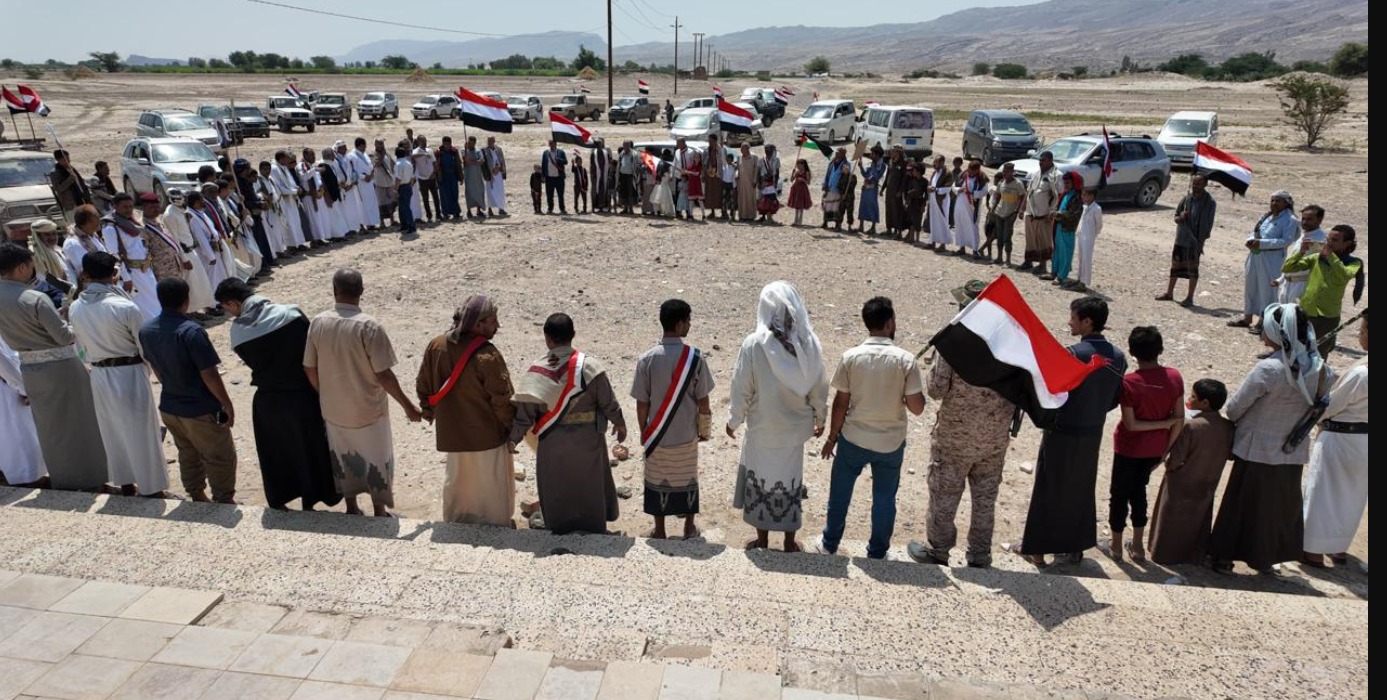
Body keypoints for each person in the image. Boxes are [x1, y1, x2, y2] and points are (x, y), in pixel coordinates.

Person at [1212, 302, 1331, 575]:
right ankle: (1265, 558)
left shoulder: (1269, 369)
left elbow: (1234, 409)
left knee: (1241, 507)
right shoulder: (1321, 369)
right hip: (1292, 451)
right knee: (1277, 509)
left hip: (1256, 451)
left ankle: (1224, 556)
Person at [1010, 297, 1127, 567]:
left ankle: (1036, 551)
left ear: (1087, 321)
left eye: (1073, 317)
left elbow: (1051, 391)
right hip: (1092, 433)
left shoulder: (1073, 353)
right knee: (1080, 489)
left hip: (1062, 431)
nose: (1069, 322)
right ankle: (1073, 549)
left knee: (1048, 488)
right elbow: (1114, 398)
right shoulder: (1119, 357)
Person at [908, 282, 1017, 568]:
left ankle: (939, 551)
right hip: (993, 440)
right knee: (984, 500)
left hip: (955, 438)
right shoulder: (1011, 345)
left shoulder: (954, 345)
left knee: (944, 496)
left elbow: (936, 389)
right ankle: (980, 554)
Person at [216, 278, 342, 512]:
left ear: (233, 303)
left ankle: (281, 500)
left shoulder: (238, 332)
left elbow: (252, 362)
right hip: (303, 394)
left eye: (225, 308)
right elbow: (313, 354)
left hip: (269, 400)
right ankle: (312, 499)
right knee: (312, 446)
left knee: (276, 452)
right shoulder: (291, 314)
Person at [814, 297, 925, 559]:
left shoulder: (851, 357)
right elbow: (917, 407)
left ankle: (829, 544)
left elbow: (840, 403)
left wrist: (832, 438)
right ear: (889, 323)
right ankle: (877, 552)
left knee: (840, 494)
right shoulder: (906, 360)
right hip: (890, 443)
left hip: (853, 438)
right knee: (885, 500)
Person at [305, 268, 422, 517]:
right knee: (376, 458)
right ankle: (379, 510)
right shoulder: (369, 326)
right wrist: (408, 405)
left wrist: (324, 393)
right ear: (361, 292)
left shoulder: (318, 322)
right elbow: (384, 375)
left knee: (343, 457)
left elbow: (309, 367)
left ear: (334, 291)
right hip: (368, 408)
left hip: (334, 409)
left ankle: (352, 507)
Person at [728, 281, 829, 552]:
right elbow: (819, 384)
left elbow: (741, 386)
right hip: (794, 431)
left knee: (762, 478)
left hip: (763, 428)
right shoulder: (809, 344)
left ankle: (762, 540)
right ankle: (788, 541)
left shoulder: (754, 344)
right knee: (790, 482)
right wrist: (820, 417)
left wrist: (734, 419)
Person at [0, 242, 108, 491]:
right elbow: (64, 337)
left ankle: (63, 479)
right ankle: (92, 481)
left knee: (51, 430)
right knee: (82, 423)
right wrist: (70, 316)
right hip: (61, 366)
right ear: (20, 267)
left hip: (29, 370)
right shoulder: (34, 297)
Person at [510, 313, 627, 535]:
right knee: (589, 484)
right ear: (573, 335)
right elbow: (608, 401)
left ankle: (559, 526)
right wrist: (619, 423)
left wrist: (512, 439)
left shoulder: (536, 371)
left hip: (552, 441)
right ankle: (592, 527)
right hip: (588, 439)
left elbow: (524, 415)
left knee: (557, 485)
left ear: (547, 338)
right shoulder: (590, 367)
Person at [68, 252, 171, 498]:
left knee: (112, 431)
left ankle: (126, 485)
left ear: (85, 274)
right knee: (142, 432)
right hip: (129, 371)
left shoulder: (75, 306)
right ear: (114, 274)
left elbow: (79, 347)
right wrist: (147, 370)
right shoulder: (124, 306)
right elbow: (144, 346)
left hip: (99, 375)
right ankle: (152, 489)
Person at [416, 295, 517, 526]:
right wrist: (512, 428)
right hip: (487, 435)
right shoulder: (487, 354)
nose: (497, 326)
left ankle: (458, 520)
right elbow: (501, 399)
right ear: (479, 324)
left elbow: (423, 384)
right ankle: (495, 522)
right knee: (490, 484)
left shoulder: (436, 345)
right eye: (493, 321)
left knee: (459, 481)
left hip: (453, 434)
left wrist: (428, 411)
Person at [139, 278, 238, 503]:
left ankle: (196, 494)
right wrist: (227, 404)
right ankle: (223, 499)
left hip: (170, 406)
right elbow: (209, 374)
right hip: (199, 408)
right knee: (218, 455)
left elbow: (156, 367)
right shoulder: (191, 331)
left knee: (187, 452)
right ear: (186, 300)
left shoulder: (146, 330)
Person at [632, 299, 715, 540]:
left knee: (657, 479)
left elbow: (642, 402)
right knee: (688, 478)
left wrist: (644, 431)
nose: (689, 325)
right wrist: (705, 431)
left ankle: (660, 530)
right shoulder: (695, 358)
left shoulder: (646, 359)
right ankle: (689, 527)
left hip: (656, 436)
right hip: (686, 433)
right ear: (679, 325)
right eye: (688, 321)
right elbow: (703, 402)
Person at [1106, 326, 1184, 563]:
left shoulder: (1129, 382)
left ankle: (1117, 545)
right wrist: (1165, 448)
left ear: (1132, 351)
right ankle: (1138, 545)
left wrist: (1161, 424)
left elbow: (1131, 425)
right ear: (1160, 349)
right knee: (1139, 492)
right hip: (1155, 449)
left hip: (1129, 448)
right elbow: (1179, 419)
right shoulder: (1174, 377)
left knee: (1119, 495)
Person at [1301, 310, 1367, 568]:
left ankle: (1313, 550)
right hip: (1365, 442)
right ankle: (1338, 547)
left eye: (1363, 330)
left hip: (1340, 438)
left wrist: (1315, 417)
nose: (1360, 335)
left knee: (1322, 494)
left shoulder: (1362, 374)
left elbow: (1333, 405)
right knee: (1352, 497)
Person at [1147, 379, 1234, 566]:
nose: (1189, 399)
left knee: (1171, 519)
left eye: (1193, 396)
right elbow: (1230, 455)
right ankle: (1193, 556)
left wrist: (1168, 466)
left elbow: (1176, 459)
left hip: (1182, 481)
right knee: (1198, 520)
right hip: (1208, 482)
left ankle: (1163, 555)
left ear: (1205, 403)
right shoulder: (1228, 427)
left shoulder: (1191, 426)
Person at [1281, 224, 1364, 358]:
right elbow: (1287, 268)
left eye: (1335, 240)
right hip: (1306, 310)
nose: (1329, 243)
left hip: (1327, 316)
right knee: (1295, 349)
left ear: (1347, 244)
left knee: (1319, 355)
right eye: (1328, 239)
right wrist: (1300, 252)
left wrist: (1331, 256)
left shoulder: (1353, 263)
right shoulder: (1316, 258)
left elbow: (1344, 275)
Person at [1229, 190, 1298, 332]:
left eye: (1278, 201)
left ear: (1286, 203)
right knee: (1251, 286)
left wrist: (1262, 243)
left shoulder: (1290, 220)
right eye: (1272, 200)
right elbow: (1254, 231)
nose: (1274, 203)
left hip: (1272, 259)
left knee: (1267, 290)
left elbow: (1286, 241)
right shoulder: (1266, 216)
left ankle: (1263, 321)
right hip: (1255, 255)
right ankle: (1247, 317)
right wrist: (1250, 240)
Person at [1159, 175, 1217, 307]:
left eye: (1198, 184)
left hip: (1195, 242)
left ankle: (1189, 298)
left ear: (1205, 184)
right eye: (1194, 184)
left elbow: (1208, 225)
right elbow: (1176, 217)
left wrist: (1200, 241)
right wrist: (1181, 217)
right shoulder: (1187, 199)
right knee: (1175, 267)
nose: (1195, 186)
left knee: (1193, 270)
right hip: (1180, 240)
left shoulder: (1209, 203)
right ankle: (1169, 293)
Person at [100, 193, 160, 320]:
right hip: (132, 273)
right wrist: (126, 278)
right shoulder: (110, 227)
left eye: (131, 206)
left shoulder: (129, 221)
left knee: (155, 299)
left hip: (145, 269)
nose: (129, 210)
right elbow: (114, 255)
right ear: (115, 206)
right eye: (125, 207)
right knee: (144, 306)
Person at [0, 333, 47, 487]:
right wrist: (25, 389)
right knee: (18, 436)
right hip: (7, 391)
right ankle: (27, 479)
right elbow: (5, 366)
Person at [162, 190, 216, 315]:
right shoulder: (170, 215)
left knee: (199, 283)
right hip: (185, 254)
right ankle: (189, 313)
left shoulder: (182, 211)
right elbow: (175, 239)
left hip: (192, 250)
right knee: (190, 285)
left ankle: (198, 310)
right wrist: (184, 259)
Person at [1273, 204, 1328, 305]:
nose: (1305, 222)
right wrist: (1280, 280)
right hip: (1287, 284)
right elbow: (1292, 260)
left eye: (1309, 219)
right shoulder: (1303, 236)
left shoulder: (1321, 239)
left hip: (1303, 285)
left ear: (1319, 220)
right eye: (1303, 219)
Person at [1020, 151, 1059, 274]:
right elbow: (1028, 192)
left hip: (1044, 215)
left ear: (1050, 160)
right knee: (1030, 239)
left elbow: (1057, 196)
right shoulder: (1035, 174)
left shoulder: (1056, 175)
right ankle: (1029, 261)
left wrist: (1052, 211)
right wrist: (1022, 208)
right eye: (1040, 160)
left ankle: (1043, 265)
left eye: (1043, 160)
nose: (1040, 162)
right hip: (1031, 213)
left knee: (1043, 241)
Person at [1045, 171, 1084, 285]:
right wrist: (1054, 213)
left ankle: (1062, 276)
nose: (1066, 185)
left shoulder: (1077, 196)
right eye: (1065, 182)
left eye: (1068, 183)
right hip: (1059, 226)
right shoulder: (1065, 194)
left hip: (1067, 228)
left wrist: (1058, 214)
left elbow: (1074, 214)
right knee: (1056, 251)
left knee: (1065, 253)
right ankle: (1054, 272)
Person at [987, 164, 1026, 266]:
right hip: (999, 213)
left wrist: (1018, 211)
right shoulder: (1001, 182)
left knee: (1007, 237)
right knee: (999, 236)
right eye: (1004, 172)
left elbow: (1022, 197)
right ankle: (999, 257)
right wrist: (993, 208)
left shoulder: (1018, 184)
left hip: (1010, 213)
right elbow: (998, 195)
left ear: (1012, 172)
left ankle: (1008, 260)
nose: (1004, 174)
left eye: (1007, 172)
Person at [268, 153, 307, 252]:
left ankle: (298, 243)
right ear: (281, 158)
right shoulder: (274, 169)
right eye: (286, 159)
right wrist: (294, 191)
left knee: (296, 222)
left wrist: (297, 189)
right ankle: (291, 246)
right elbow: (279, 186)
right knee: (288, 224)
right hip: (284, 200)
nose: (288, 161)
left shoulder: (283, 168)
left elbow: (290, 182)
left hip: (291, 199)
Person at [62, 205, 109, 286]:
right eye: (97, 217)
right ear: (88, 221)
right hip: (95, 289)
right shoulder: (73, 243)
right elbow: (84, 271)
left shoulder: (92, 236)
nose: (99, 220)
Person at [27, 219, 74, 297]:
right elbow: (46, 279)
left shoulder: (58, 249)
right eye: (47, 235)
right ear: (38, 237)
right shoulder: (36, 256)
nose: (52, 237)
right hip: (61, 295)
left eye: (54, 233)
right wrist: (71, 291)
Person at [952, 160, 988, 257]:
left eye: (973, 171)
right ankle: (961, 247)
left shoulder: (982, 178)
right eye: (970, 170)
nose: (971, 172)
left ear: (977, 170)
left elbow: (984, 191)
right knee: (960, 225)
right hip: (960, 203)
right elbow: (953, 186)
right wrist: (958, 190)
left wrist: (973, 194)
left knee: (973, 226)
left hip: (972, 206)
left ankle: (975, 250)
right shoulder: (962, 175)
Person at [1073, 188, 1103, 292]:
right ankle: (1079, 278)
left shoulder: (1096, 209)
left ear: (1091, 196)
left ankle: (1084, 282)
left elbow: (1099, 224)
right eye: (1082, 195)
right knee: (1081, 258)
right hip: (1081, 234)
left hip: (1089, 236)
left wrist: (1093, 234)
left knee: (1086, 259)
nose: (1083, 197)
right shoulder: (1085, 207)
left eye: (1085, 195)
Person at [50, 149, 92, 223]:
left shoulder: (71, 169)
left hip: (81, 200)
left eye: (68, 158)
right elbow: (59, 188)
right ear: (58, 160)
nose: (68, 161)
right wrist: (70, 179)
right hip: (71, 205)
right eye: (64, 159)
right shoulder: (55, 173)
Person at [349, 138, 382, 230]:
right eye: (364, 146)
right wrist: (364, 177)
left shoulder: (365, 155)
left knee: (371, 203)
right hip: (361, 184)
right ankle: (363, 225)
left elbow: (370, 166)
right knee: (362, 204)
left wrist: (371, 175)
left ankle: (371, 223)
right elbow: (352, 171)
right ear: (360, 145)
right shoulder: (352, 156)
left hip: (369, 182)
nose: (365, 147)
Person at [925, 156, 953, 250]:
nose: (934, 164)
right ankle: (932, 242)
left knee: (942, 221)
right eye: (934, 162)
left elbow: (948, 188)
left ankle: (942, 244)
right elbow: (931, 183)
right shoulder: (934, 172)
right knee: (933, 220)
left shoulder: (947, 174)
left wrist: (936, 190)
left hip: (942, 201)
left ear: (942, 163)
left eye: (936, 162)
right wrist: (929, 188)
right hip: (933, 199)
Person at [857, 146, 885, 235]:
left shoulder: (882, 166)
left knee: (873, 207)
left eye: (872, 154)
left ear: (877, 155)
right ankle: (861, 226)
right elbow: (865, 174)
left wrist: (873, 165)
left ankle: (873, 227)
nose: (870, 155)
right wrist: (861, 166)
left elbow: (877, 177)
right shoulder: (870, 163)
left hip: (873, 189)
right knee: (863, 206)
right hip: (866, 188)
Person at [411, 136, 439, 225]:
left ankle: (438, 214)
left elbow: (434, 162)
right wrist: (423, 154)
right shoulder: (416, 151)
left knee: (435, 197)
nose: (424, 143)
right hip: (422, 178)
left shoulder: (429, 150)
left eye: (425, 141)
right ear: (418, 142)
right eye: (422, 141)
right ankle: (429, 216)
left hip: (431, 177)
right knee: (425, 198)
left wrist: (434, 172)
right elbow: (412, 156)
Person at [821, 149, 851, 231]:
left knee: (838, 208)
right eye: (836, 152)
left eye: (838, 152)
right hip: (830, 188)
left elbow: (846, 177)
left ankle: (838, 225)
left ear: (843, 154)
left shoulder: (846, 164)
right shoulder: (832, 163)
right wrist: (825, 185)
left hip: (838, 189)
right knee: (827, 206)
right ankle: (825, 222)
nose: (836, 154)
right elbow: (828, 174)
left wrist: (847, 171)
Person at [461, 136, 490, 220]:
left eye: (473, 143)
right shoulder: (464, 150)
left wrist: (474, 162)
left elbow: (482, 161)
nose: (471, 145)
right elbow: (466, 160)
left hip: (477, 175)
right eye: (470, 143)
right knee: (469, 192)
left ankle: (478, 209)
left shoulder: (478, 150)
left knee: (479, 191)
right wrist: (475, 161)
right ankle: (469, 210)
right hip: (469, 175)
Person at [434, 136, 462, 221]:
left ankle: (456, 212)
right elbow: (436, 165)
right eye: (445, 143)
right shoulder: (438, 152)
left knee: (454, 193)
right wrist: (437, 177)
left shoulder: (454, 151)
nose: (447, 145)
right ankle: (445, 213)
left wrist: (461, 176)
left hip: (453, 176)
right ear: (443, 143)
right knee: (444, 195)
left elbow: (458, 163)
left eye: (448, 143)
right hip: (443, 176)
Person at [371, 140, 398, 227]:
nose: (381, 145)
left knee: (391, 201)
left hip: (389, 181)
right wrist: (382, 155)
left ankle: (392, 220)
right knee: (381, 202)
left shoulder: (386, 153)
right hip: (380, 182)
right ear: (375, 144)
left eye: (382, 144)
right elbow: (377, 164)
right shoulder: (374, 154)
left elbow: (392, 164)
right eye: (379, 144)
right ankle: (382, 223)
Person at [882, 146, 907, 237]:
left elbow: (904, 179)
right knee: (888, 210)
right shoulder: (890, 162)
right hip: (889, 190)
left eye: (893, 151)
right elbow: (887, 176)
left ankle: (897, 231)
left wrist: (900, 191)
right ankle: (889, 229)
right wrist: (883, 188)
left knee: (897, 210)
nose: (891, 153)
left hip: (897, 192)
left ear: (898, 152)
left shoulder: (903, 164)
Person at [394, 147, 417, 237]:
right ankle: (404, 225)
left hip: (402, 186)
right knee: (403, 207)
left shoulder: (398, 164)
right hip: (408, 185)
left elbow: (398, 178)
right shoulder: (408, 163)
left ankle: (410, 226)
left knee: (405, 208)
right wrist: (410, 186)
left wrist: (395, 189)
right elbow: (412, 177)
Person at [541, 140, 568, 215]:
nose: (551, 145)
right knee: (549, 195)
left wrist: (558, 159)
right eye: (550, 144)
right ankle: (550, 209)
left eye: (553, 144)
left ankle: (562, 209)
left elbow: (565, 162)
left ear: (556, 144)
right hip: (549, 178)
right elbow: (543, 165)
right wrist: (543, 176)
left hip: (559, 178)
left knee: (560, 195)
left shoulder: (561, 152)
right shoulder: (546, 153)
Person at [483, 136, 508, 218]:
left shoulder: (499, 149)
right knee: (490, 192)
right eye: (489, 141)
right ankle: (490, 209)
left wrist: (501, 169)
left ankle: (501, 208)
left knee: (500, 191)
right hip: (490, 174)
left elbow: (502, 160)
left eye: (491, 141)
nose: (490, 142)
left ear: (494, 141)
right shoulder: (484, 150)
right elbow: (484, 164)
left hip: (499, 174)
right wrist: (491, 170)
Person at [757, 145, 782, 224]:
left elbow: (777, 172)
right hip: (763, 181)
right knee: (763, 200)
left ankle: (770, 217)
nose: (768, 151)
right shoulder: (761, 160)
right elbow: (758, 172)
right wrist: (759, 182)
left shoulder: (776, 160)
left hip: (772, 181)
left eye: (770, 150)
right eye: (766, 149)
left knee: (771, 199)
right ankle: (764, 217)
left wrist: (776, 183)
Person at [702, 135, 725, 220]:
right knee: (710, 193)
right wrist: (703, 174)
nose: (710, 143)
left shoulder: (721, 150)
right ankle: (712, 211)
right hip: (709, 173)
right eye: (709, 141)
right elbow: (704, 163)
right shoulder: (706, 151)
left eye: (711, 141)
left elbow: (724, 162)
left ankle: (723, 211)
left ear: (715, 141)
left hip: (718, 174)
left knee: (719, 193)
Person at [736, 143, 760, 222]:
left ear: (747, 149)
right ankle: (742, 215)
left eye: (743, 148)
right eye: (741, 148)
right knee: (742, 199)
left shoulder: (754, 157)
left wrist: (755, 180)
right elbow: (738, 169)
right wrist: (737, 175)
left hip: (750, 182)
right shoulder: (739, 157)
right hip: (741, 182)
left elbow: (756, 170)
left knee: (750, 199)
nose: (741, 150)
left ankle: (750, 216)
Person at [787, 159, 813, 226]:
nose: (797, 166)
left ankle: (800, 221)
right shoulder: (797, 172)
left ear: (803, 164)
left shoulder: (806, 172)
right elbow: (791, 180)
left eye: (799, 164)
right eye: (797, 164)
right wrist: (792, 173)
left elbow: (808, 182)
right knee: (796, 206)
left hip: (802, 190)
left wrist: (803, 180)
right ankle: (795, 220)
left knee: (801, 206)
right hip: (796, 189)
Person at [651, 150, 676, 218]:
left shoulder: (659, 162)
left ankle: (659, 211)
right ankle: (666, 211)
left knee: (658, 197)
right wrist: (670, 177)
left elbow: (657, 173)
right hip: (664, 183)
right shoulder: (668, 164)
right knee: (666, 198)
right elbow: (670, 175)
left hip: (659, 183)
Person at [618, 141, 640, 215]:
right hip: (623, 176)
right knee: (624, 192)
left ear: (630, 146)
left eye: (627, 145)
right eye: (624, 145)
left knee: (631, 192)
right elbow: (619, 163)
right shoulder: (622, 153)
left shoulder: (634, 154)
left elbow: (638, 164)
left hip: (631, 176)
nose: (625, 147)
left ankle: (631, 209)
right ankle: (625, 208)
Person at [591, 139, 613, 213]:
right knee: (595, 191)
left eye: (601, 144)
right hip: (596, 175)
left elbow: (610, 161)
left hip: (605, 174)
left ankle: (604, 207)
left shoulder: (605, 152)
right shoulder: (594, 153)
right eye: (599, 144)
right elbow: (592, 164)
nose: (600, 145)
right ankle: (596, 207)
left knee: (604, 191)